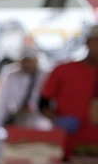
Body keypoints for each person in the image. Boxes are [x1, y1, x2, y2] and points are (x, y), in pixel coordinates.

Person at [39, 25, 98, 157]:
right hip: (67, 146)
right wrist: (58, 119)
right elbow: (42, 104)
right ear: (88, 42)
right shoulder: (63, 71)